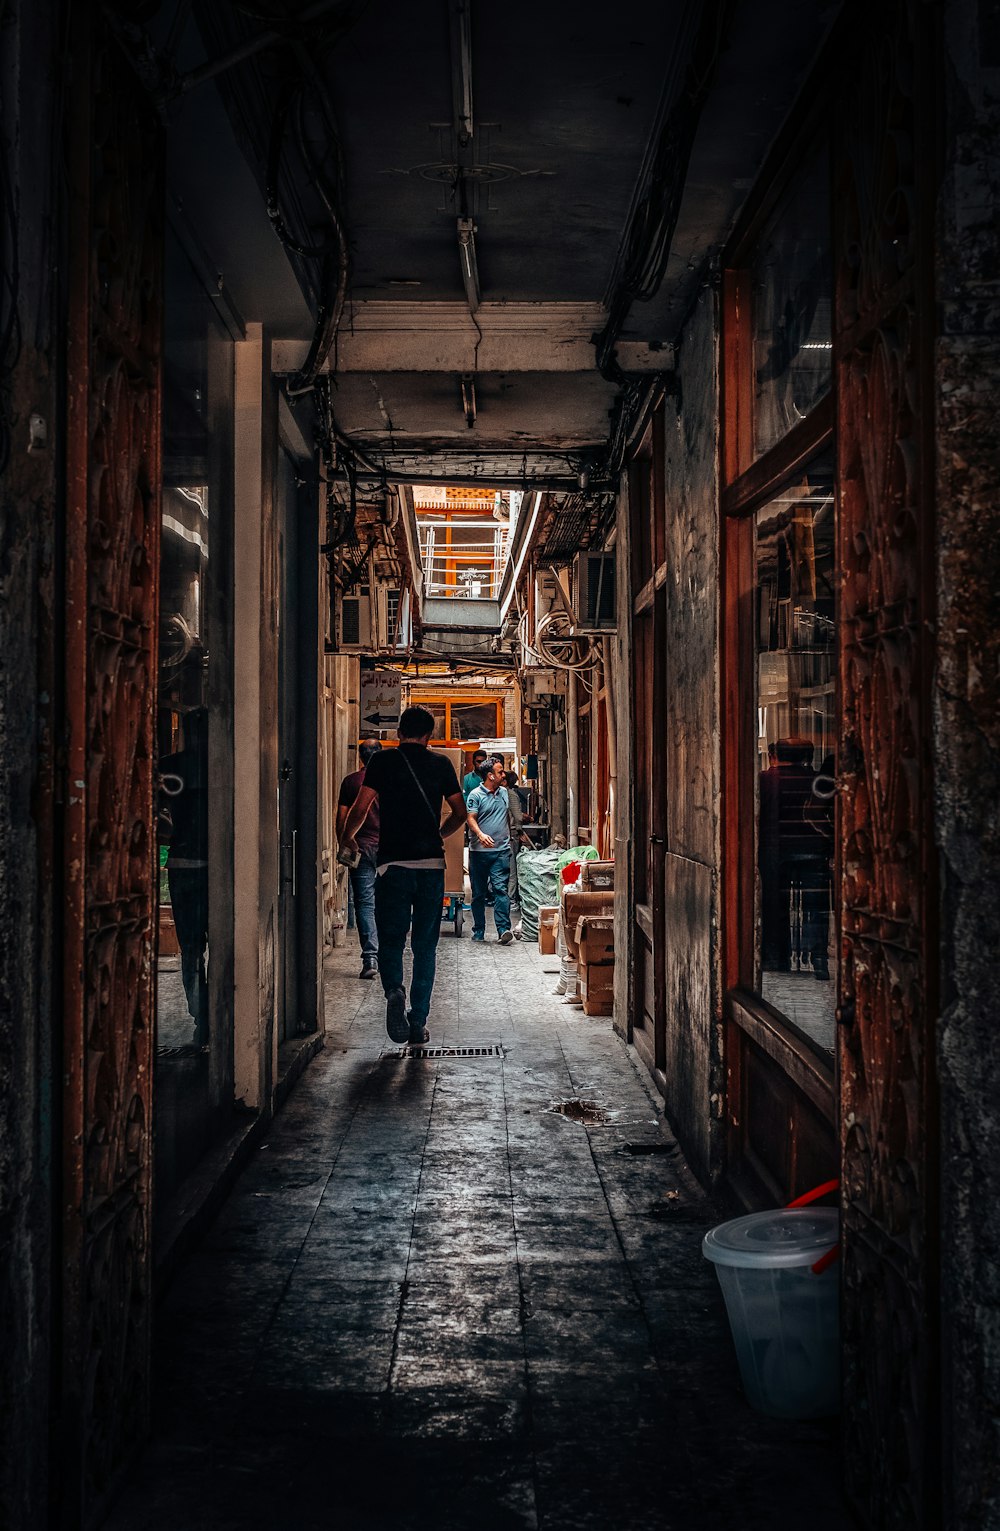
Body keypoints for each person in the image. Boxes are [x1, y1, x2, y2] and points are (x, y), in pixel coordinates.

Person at [340, 706, 467, 1044]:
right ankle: (418, 1020)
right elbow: (460, 813)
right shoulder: (441, 764)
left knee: (392, 939)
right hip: (430, 868)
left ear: (399, 732)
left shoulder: (382, 762)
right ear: (429, 734)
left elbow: (361, 807)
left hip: (391, 866)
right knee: (426, 946)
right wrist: (438, 834)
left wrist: (347, 839)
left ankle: (394, 991)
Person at [336, 741, 383, 979]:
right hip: (388, 850)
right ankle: (388, 955)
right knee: (387, 903)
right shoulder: (391, 781)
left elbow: (342, 817)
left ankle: (370, 958)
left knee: (365, 904)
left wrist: (344, 842)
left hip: (360, 847)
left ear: (361, 757)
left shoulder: (351, 781)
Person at [466, 759, 513, 945]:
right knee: (479, 893)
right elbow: (470, 818)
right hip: (479, 852)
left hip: (501, 851)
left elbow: (507, 817)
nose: (504, 775)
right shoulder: (475, 795)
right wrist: (480, 834)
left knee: (501, 890)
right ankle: (479, 930)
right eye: (500, 772)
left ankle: (503, 930)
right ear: (490, 776)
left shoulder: (504, 793)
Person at [504, 769, 532, 937]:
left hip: (511, 834)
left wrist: (519, 829)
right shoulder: (503, 794)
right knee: (511, 867)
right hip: (508, 835)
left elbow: (517, 817)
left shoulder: (509, 795)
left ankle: (510, 898)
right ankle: (510, 898)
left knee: (511, 868)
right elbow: (517, 816)